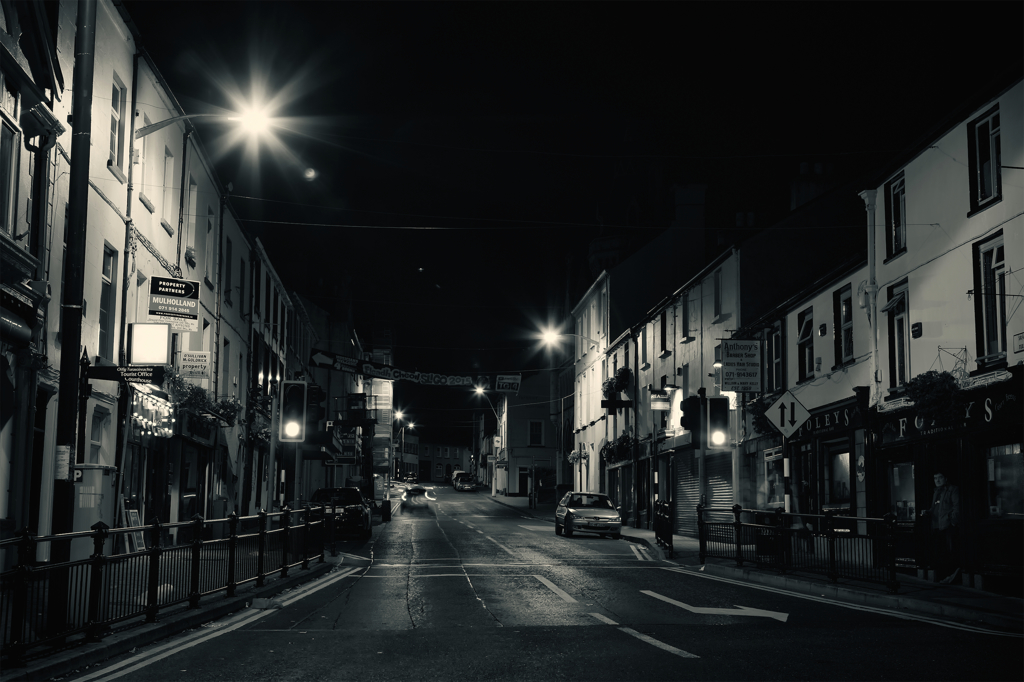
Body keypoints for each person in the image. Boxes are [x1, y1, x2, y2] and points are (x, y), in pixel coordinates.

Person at [920, 471, 960, 584]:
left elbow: (957, 508)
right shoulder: (936, 492)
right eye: (935, 478)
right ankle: (943, 577)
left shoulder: (953, 490)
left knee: (948, 552)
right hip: (937, 526)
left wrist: (952, 521)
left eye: (940, 478)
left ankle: (949, 576)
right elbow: (935, 508)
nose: (937, 480)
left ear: (946, 478)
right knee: (940, 553)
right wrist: (928, 512)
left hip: (947, 526)